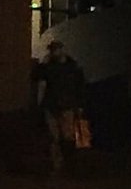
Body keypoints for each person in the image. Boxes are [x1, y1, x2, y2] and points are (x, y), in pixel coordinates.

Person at [34, 35, 91, 171]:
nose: (54, 53)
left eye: (56, 50)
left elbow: (79, 86)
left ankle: (66, 162)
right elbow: (41, 84)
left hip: (65, 105)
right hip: (54, 105)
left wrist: (80, 105)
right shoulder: (53, 67)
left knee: (67, 136)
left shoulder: (71, 67)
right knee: (55, 136)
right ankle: (59, 164)